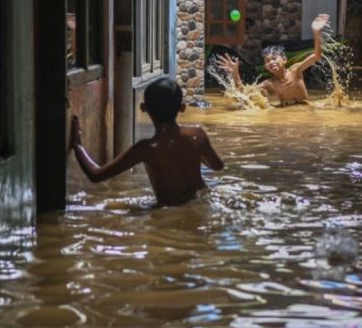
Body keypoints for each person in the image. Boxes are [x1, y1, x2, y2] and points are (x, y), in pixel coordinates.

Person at [70, 77, 224, 206]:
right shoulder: (197, 135)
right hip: (204, 203)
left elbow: (96, 175)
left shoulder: (146, 149)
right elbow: (218, 166)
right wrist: (196, 151)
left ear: (143, 108)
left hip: (167, 212)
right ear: (182, 108)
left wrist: (77, 145)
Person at [217, 14, 330, 106]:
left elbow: (316, 56)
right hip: (284, 112)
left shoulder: (296, 71)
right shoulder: (269, 84)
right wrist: (235, 74)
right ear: (265, 67)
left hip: (304, 109)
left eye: (274, 58)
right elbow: (245, 93)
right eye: (267, 61)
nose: (271, 62)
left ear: (284, 59)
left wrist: (317, 32)